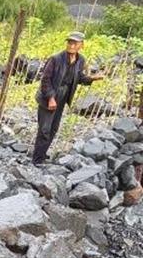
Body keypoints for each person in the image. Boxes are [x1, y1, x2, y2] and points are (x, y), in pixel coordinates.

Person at [32, 31, 105, 165]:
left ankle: (42, 154)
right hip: (49, 96)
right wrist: (50, 98)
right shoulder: (56, 59)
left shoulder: (80, 60)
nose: (71, 45)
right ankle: (37, 160)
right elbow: (45, 80)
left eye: (75, 43)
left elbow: (77, 78)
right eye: (69, 42)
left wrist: (91, 79)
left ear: (81, 45)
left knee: (54, 128)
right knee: (44, 129)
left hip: (63, 96)